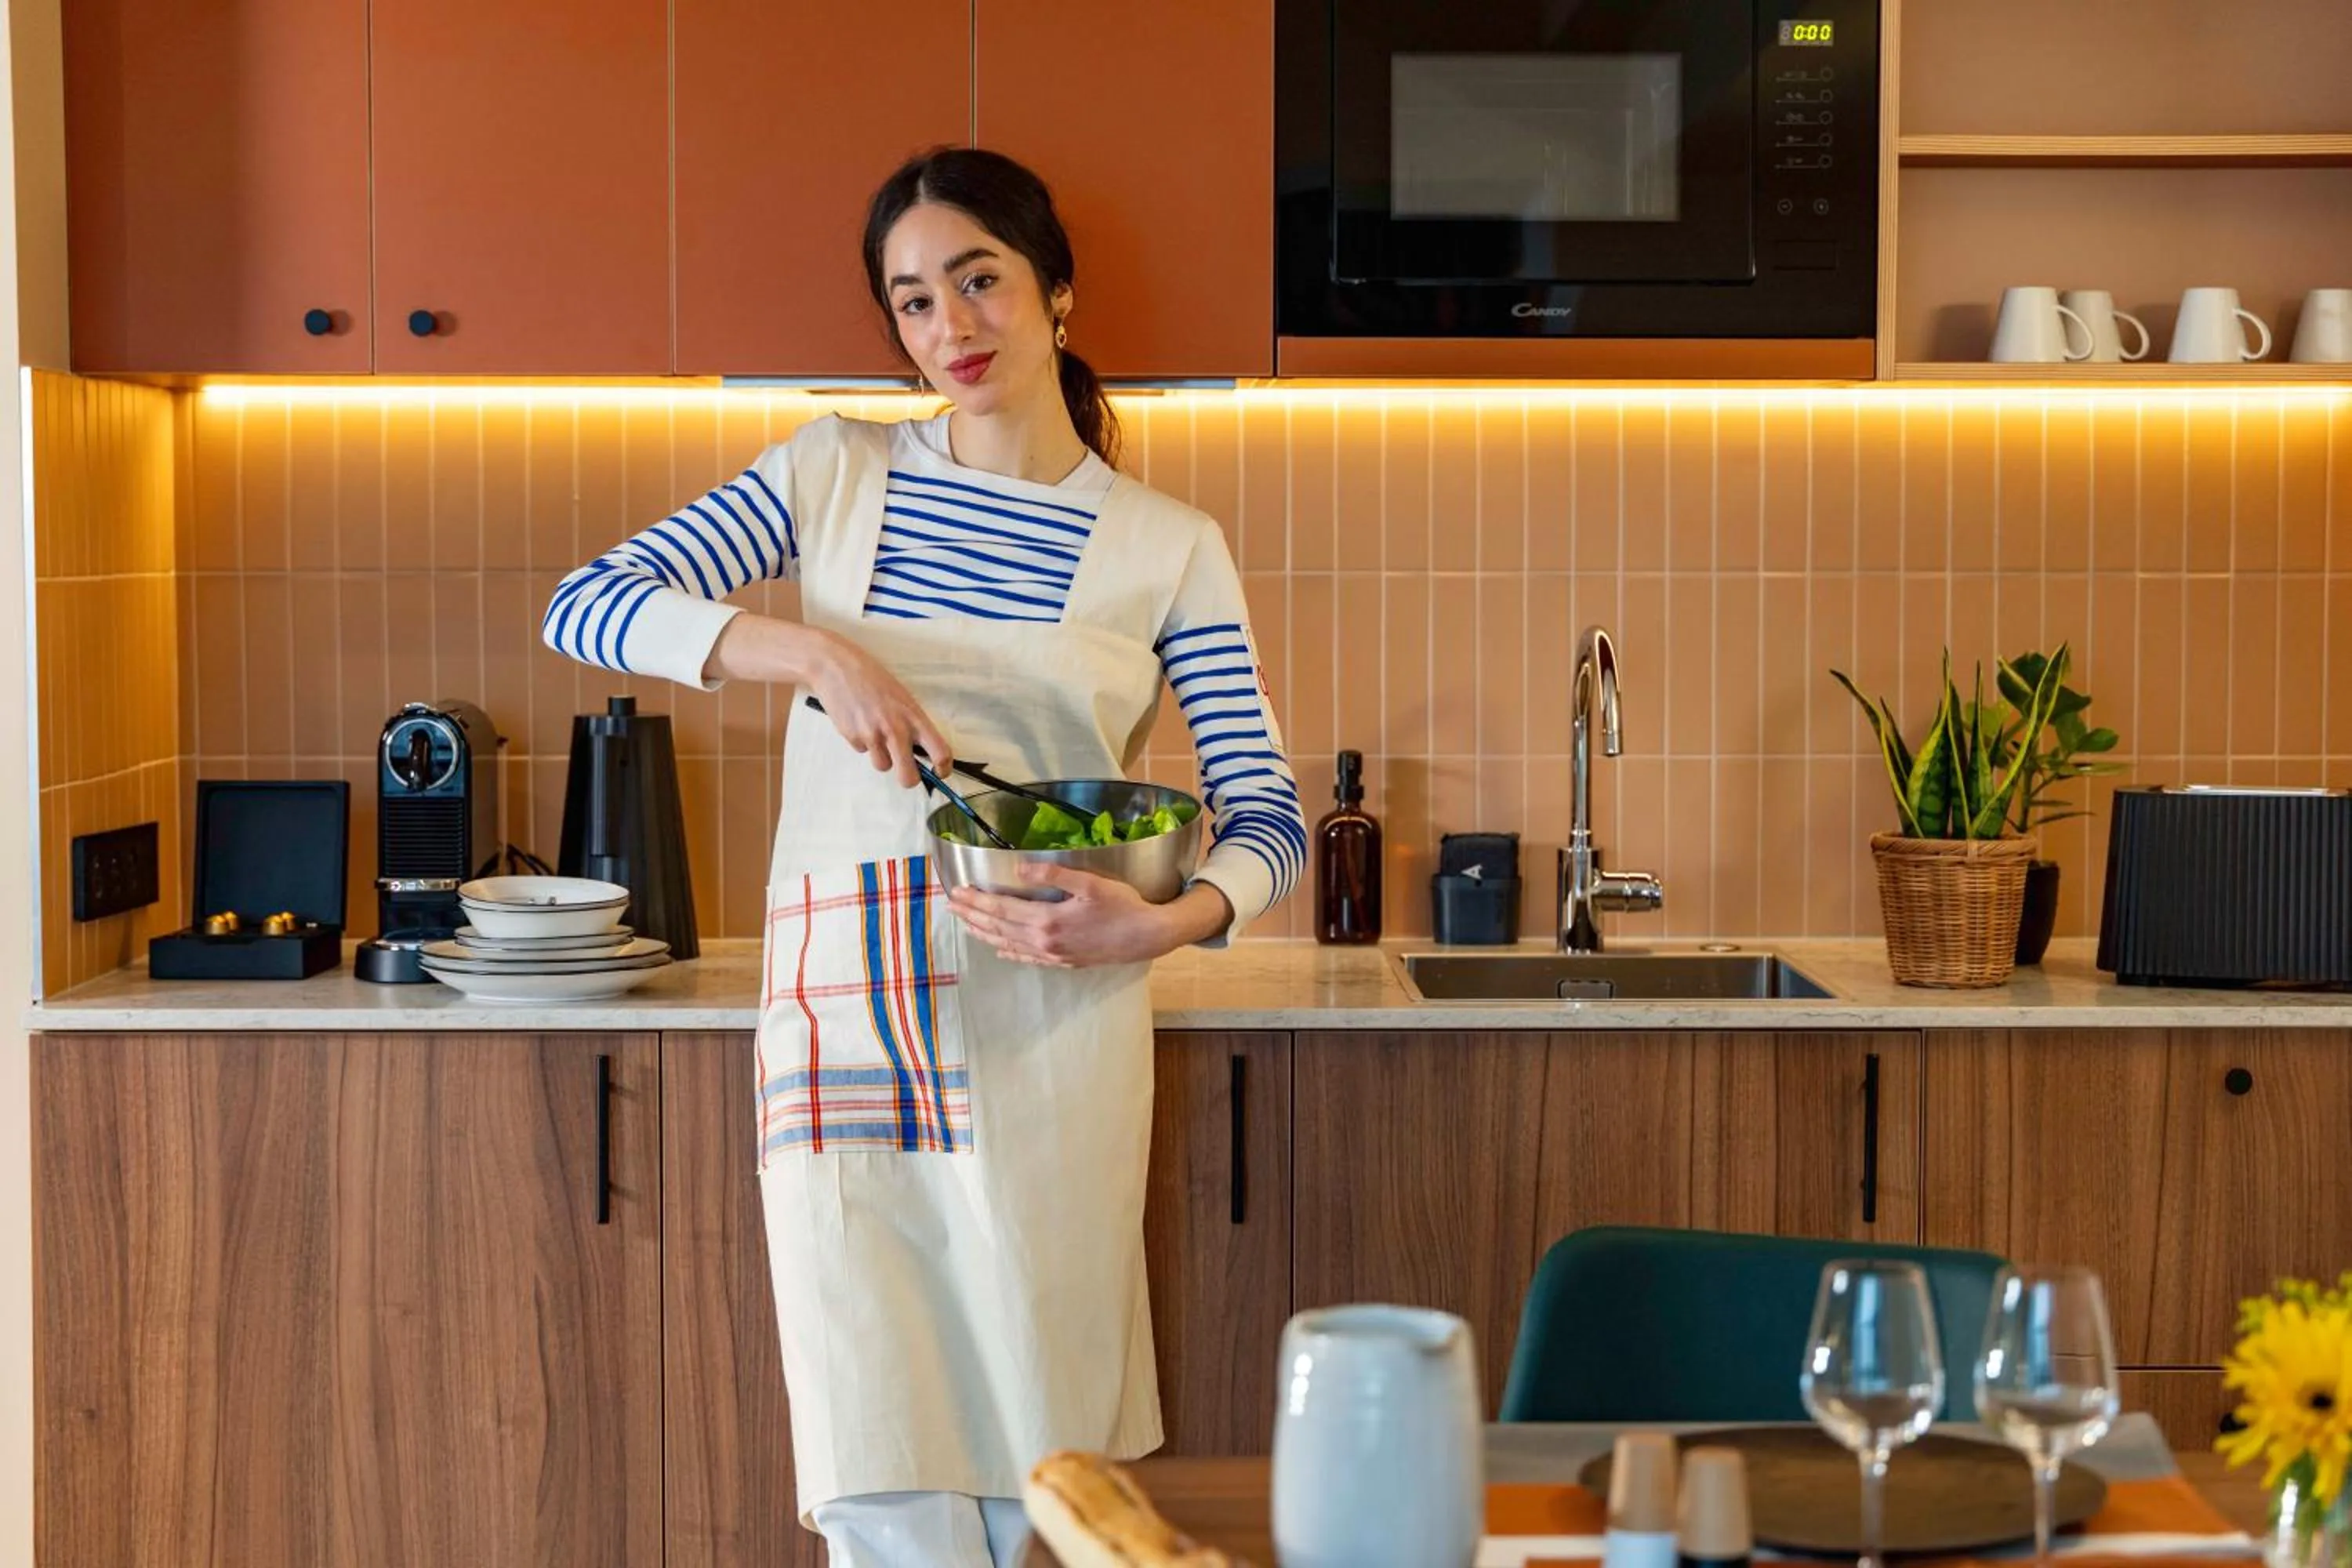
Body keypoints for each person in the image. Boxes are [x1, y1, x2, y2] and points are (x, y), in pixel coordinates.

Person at [541, 147, 1305, 1567]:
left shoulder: (1165, 548)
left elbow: (1267, 813)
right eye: (912, 302)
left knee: (1044, 1453)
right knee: (873, 1442)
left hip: (1049, 1022)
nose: (951, 327)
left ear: (1055, 293)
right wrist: (813, 652)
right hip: (841, 1018)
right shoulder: (831, 473)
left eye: (980, 281)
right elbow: (589, 604)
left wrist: (1168, 922)